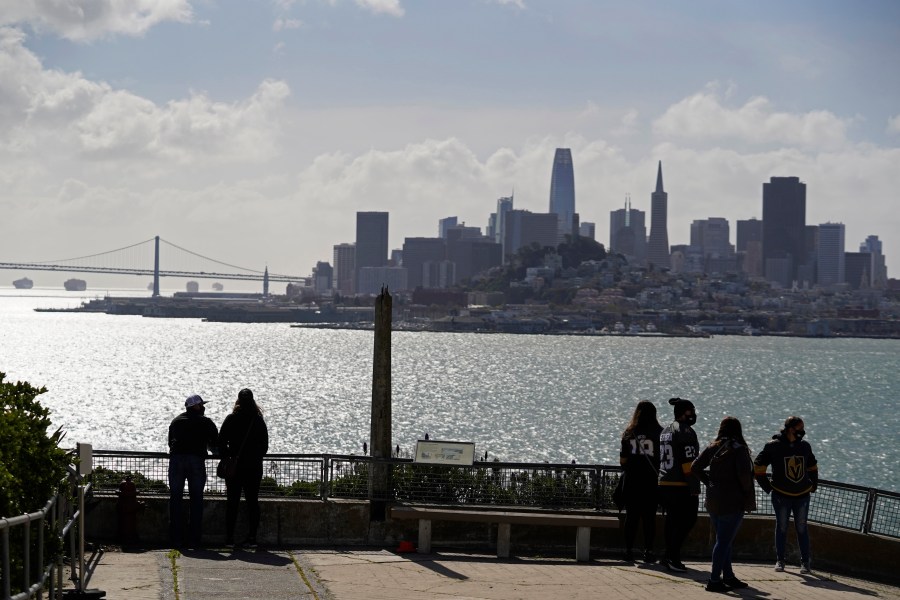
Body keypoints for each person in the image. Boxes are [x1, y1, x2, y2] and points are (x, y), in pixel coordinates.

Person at [692, 417, 756, 593]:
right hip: (733, 501)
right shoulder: (739, 450)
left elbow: (695, 467)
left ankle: (728, 577)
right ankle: (714, 580)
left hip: (713, 500)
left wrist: (709, 483)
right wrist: (746, 493)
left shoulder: (713, 447)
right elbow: (744, 476)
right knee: (723, 541)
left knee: (724, 540)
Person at [753, 416, 818, 574]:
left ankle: (805, 562)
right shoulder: (773, 447)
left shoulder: (805, 446)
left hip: (802, 496)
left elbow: (812, 466)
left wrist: (813, 485)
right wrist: (768, 488)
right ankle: (780, 560)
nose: (803, 432)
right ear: (790, 429)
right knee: (781, 527)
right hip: (781, 496)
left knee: (802, 528)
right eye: (800, 429)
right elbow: (758, 467)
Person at [218, 388, 269, 549]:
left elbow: (220, 442)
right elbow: (264, 446)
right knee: (253, 502)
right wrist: (254, 456)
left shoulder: (231, 419)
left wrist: (229, 455)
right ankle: (252, 538)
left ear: (238, 401)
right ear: (253, 401)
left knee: (232, 502)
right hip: (253, 467)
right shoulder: (258, 420)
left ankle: (229, 539)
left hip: (235, 467)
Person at [168, 394, 218, 548]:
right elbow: (215, 444)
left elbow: (170, 443)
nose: (203, 407)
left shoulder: (176, 421)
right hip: (196, 461)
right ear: (195, 406)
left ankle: (176, 539)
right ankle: (194, 540)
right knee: (196, 500)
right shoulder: (206, 422)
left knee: (175, 499)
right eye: (201, 405)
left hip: (176, 460)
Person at [657, 397, 700, 573]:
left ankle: (667, 556)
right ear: (684, 413)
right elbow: (687, 463)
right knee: (687, 520)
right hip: (680, 484)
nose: (693, 414)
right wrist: (694, 487)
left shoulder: (665, 430)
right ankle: (673, 557)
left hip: (664, 481)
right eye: (691, 411)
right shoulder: (686, 432)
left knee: (671, 522)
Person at [619, 400, 663, 563]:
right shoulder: (659, 432)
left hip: (632, 480)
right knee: (649, 518)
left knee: (631, 517)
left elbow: (623, 460)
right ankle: (648, 551)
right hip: (651, 481)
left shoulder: (629, 433)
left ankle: (628, 551)